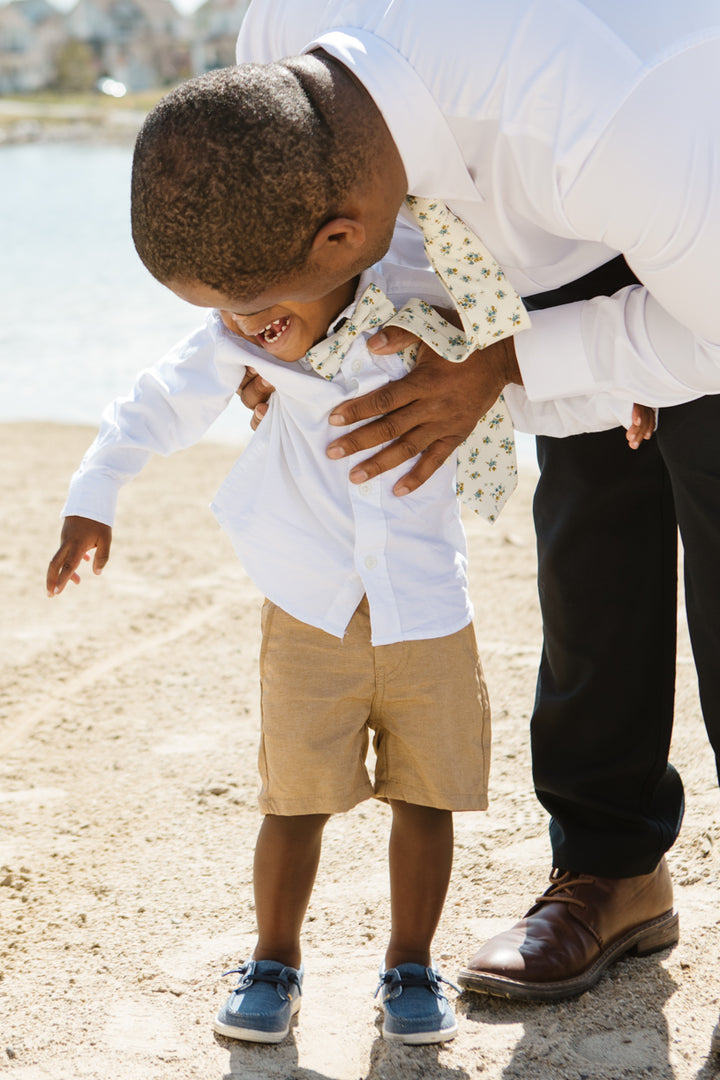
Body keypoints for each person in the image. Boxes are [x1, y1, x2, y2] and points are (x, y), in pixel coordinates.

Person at [127, 0, 720, 1022]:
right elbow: (379, 249)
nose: (252, 340)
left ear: (341, 230)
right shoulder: (277, 49)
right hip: (537, 205)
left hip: (684, 158)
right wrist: (299, 345)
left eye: (257, 315)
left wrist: (510, 364)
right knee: (584, 532)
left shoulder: (616, 117)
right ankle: (613, 869)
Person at [47, 247, 529, 1045]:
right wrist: (94, 495)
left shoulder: (425, 300)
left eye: (261, 295)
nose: (245, 322)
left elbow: (526, 345)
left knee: (428, 795)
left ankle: (411, 963)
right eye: (228, 308)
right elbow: (155, 402)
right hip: (313, 608)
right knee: (295, 799)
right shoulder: (240, 341)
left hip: (429, 607)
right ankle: (274, 960)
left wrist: (624, 394)